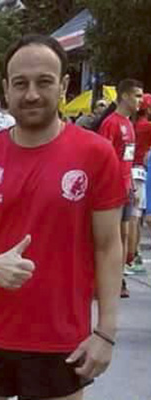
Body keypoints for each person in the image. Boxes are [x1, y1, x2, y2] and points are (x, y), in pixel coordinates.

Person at [0, 34, 125, 400]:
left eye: (44, 82)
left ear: (64, 86)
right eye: (21, 83)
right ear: (6, 89)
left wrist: (106, 332)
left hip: (61, 340)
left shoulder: (96, 153)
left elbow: (108, 247)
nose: (32, 94)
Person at [98, 78, 144, 299]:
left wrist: (131, 185)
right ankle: (104, 280)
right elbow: (102, 157)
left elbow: (128, 158)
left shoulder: (129, 124)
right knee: (111, 237)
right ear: (124, 96)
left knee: (124, 235)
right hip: (112, 190)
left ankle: (118, 277)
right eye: (137, 95)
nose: (140, 100)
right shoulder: (111, 123)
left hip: (127, 188)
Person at [128, 93, 151, 275]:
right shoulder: (147, 127)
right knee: (135, 218)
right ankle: (133, 256)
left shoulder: (131, 124)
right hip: (139, 172)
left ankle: (132, 254)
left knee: (132, 218)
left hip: (131, 170)